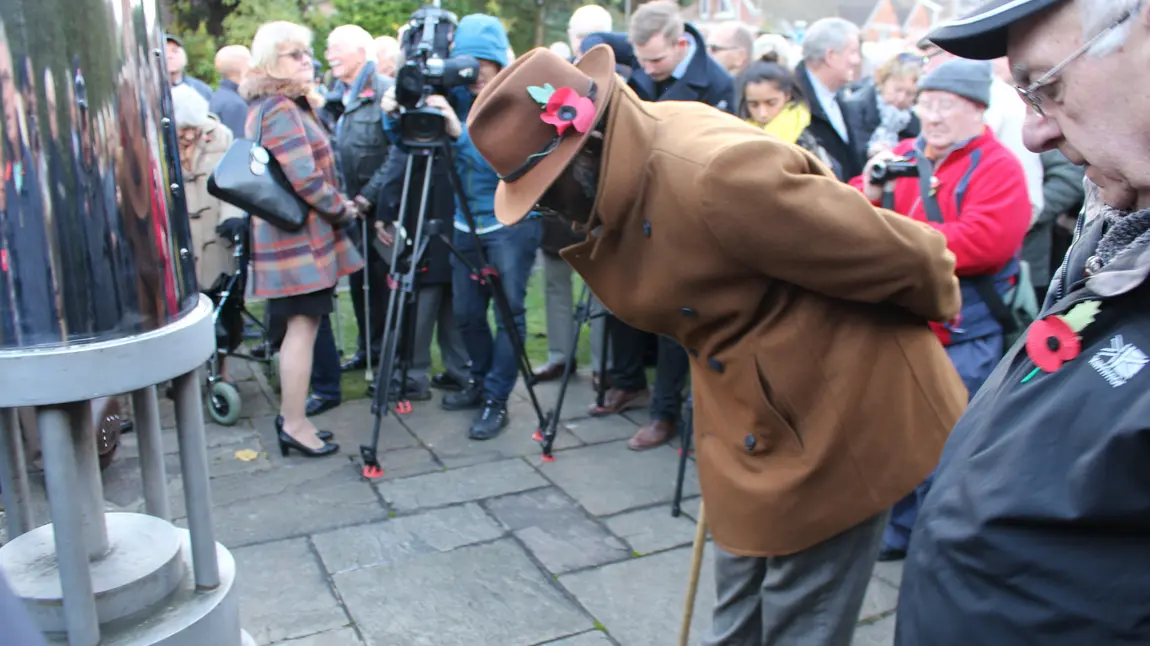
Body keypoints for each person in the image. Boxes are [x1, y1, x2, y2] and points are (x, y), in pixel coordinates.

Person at [465, 45, 968, 646]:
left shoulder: (715, 174)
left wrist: (918, 333)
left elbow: (913, 259)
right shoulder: (631, 167)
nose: (551, 211)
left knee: (798, 620)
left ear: (590, 146)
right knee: (737, 616)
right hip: (747, 412)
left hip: (839, 416)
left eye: (549, 194)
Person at [894, 0, 1150, 643]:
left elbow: (980, 241)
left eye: (1048, 86)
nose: (1036, 132)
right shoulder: (1119, 222)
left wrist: (893, 239)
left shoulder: (1002, 166)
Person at [382, 14, 542, 440]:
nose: (473, 75)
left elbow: (504, 161)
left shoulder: (519, 98)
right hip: (463, 223)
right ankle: (480, 380)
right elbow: (414, 143)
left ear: (496, 62)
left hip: (510, 222)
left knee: (509, 314)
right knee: (469, 314)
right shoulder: (453, 94)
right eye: (465, 65)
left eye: (481, 65)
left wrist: (458, 131)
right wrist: (397, 115)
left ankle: (496, 398)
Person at [239, 21, 363, 457]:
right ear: (272, 60)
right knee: (302, 329)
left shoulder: (278, 106)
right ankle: (293, 423)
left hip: (293, 238)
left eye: (306, 52)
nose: (306, 60)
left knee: (302, 328)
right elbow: (306, 179)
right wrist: (341, 208)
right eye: (295, 54)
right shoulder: (277, 108)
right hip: (297, 241)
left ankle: (296, 419)